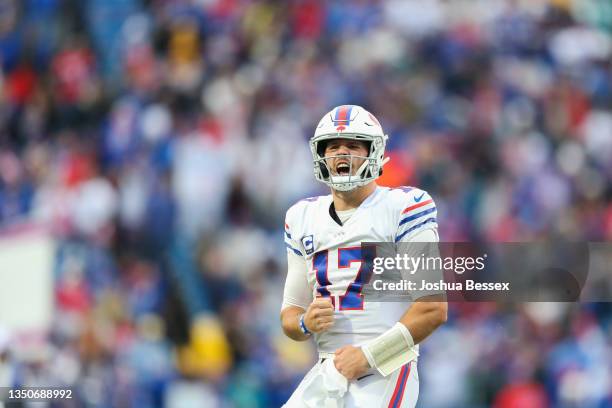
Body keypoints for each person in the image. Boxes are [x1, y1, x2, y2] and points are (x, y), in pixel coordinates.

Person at [280, 105, 447, 407]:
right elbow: (290, 316)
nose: (342, 153)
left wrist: (369, 356)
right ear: (320, 154)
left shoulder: (405, 206)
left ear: (374, 152)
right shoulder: (301, 216)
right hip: (328, 369)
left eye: (353, 145)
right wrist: (306, 322)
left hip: (385, 368)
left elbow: (432, 307)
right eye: (333, 146)